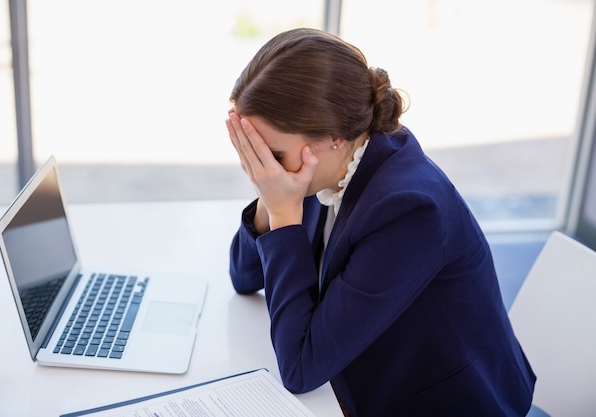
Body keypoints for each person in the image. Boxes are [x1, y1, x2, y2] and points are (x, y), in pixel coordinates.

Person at [225, 28, 535, 417]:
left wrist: (285, 215)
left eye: (271, 154)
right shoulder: (330, 164)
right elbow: (244, 277)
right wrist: (270, 198)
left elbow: (300, 368)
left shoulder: (409, 210)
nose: (264, 168)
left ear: (333, 137)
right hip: (365, 375)